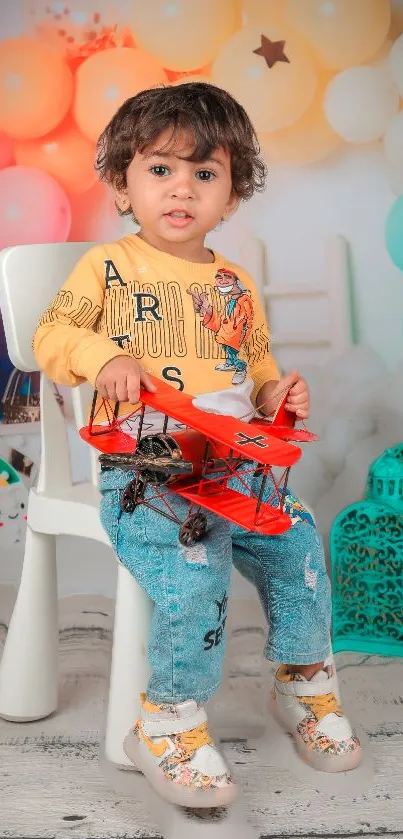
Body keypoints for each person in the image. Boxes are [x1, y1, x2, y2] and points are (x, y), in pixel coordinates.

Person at [33, 82, 362, 809]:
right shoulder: (106, 269)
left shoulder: (234, 284)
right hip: (147, 467)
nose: (181, 188)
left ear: (231, 195)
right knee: (195, 571)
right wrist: (99, 356)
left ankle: (304, 683)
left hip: (236, 464)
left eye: (204, 173)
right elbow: (50, 337)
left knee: (299, 546)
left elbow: (259, 372)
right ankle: (169, 721)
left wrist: (278, 397)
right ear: (122, 182)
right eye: (160, 169)